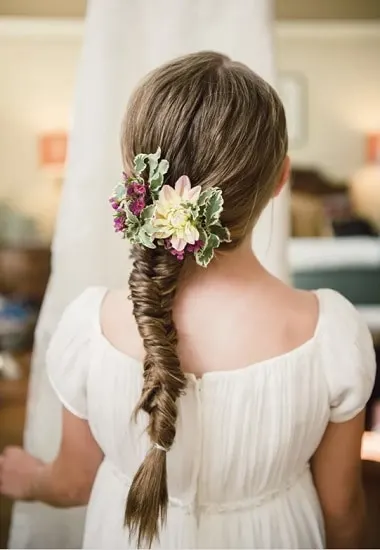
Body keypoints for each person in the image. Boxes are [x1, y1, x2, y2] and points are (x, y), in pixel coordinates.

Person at [0, 51, 376, 550]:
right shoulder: (332, 332)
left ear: (137, 179)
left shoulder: (89, 327)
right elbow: (342, 510)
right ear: (280, 179)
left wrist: (30, 480)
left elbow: (72, 481)